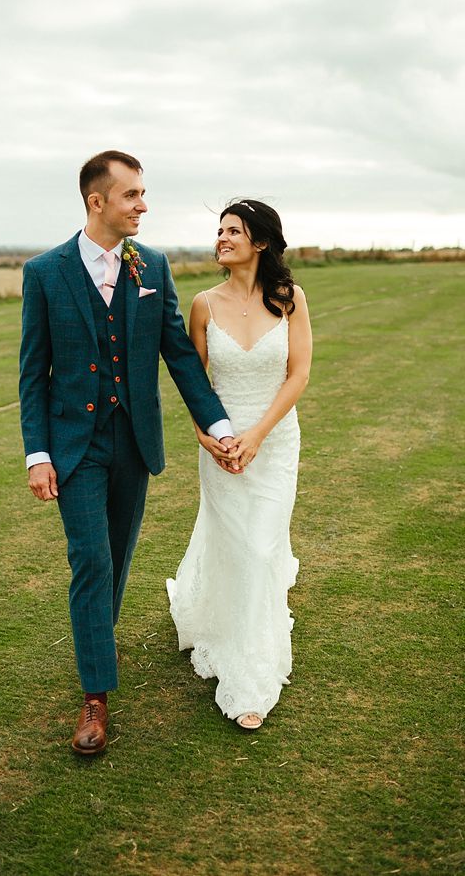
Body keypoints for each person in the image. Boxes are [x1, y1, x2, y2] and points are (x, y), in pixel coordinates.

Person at [19, 150, 237, 755]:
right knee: (89, 559)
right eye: (132, 195)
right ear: (98, 202)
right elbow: (33, 373)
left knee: (115, 559)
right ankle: (95, 697)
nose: (143, 205)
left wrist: (216, 422)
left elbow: (178, 354)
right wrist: (37, 453)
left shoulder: (153, 267)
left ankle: (95, 638)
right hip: (73, 447)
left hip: (135, 443)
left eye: (143, 194)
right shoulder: (44, 273)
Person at [167, 200, 311, 729]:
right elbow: (193, 379)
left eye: (234, 231)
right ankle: (234, 648)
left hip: (273, 443)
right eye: (220, 230)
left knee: (261, 544)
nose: (222, 238)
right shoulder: (203, 304)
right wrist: (206, 435)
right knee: (238, 546)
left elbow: (297, 375)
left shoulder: (290, 299)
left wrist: (257, 434)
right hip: (222, 449)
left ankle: (250, 678)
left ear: (262, 242)